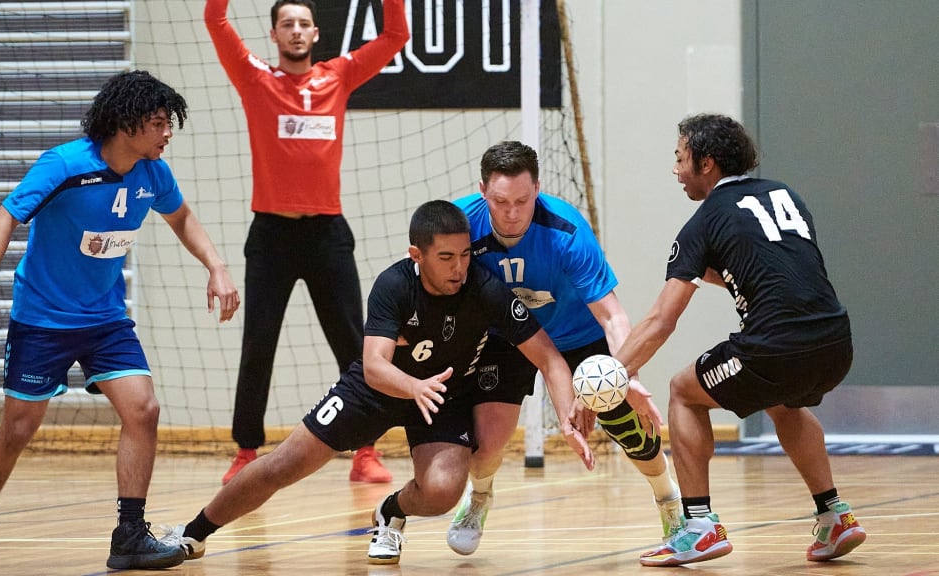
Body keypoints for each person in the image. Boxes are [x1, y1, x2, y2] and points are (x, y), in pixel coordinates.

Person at [158, 200, 596, 565]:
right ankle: (192, 534)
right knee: (283, 465)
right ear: (416, 255)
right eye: (445, 257)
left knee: (444, 492)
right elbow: (373, 366)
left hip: (442, 396)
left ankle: (390, 512)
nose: (459, 267)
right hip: (377, 391)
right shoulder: (393, 285)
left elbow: (550, 359)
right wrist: (414, 386)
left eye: (464, 255)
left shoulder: (486, 288)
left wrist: (568, 416)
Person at [0, 70, 241, 571]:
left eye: (169, 123)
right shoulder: (64, 164)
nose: (167, 133)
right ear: (126, 124)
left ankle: (129, 535)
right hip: (44, 319)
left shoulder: (153, 173)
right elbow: (4, 218)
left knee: (143, 410)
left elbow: (183, 218)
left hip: (105, 319)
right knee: (18, 428)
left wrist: (217, 267)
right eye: (158, 123)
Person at [205, 0, 411, 486]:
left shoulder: (337, 77)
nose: (295, 31)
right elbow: (216, 23)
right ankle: (247, 452)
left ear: (315, 33)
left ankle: (365, 450)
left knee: (355, 344)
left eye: (302, 23)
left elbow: (395, 38)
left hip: (327, 234)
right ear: (274, 35)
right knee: (258, 346)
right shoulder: (255, 80)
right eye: (285, 24)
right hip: (271, 234)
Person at [614, 113, 866, 566]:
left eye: (680, 159)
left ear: (706, 163)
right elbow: (776, 266)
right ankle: (835, 516)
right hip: (836, 342)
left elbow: (661, 321)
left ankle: (698, 527)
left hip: (775, 346)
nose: (675, 170)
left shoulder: (705, 219)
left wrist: (615, 374)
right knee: (784, 402)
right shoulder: (783, 194)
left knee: (683, 391)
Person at [448, 141, 676, 556]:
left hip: (577, 335)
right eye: (500, 201)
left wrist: (627, 376)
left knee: (629, 430)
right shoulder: (458, 224)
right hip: (507, 336)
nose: (512, 212)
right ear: (482, 190)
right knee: (487, 441)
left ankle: (669, 500)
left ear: (538, 188)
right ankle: (479, 497)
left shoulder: (567, 231)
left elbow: (612, 316)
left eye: (522, 200)